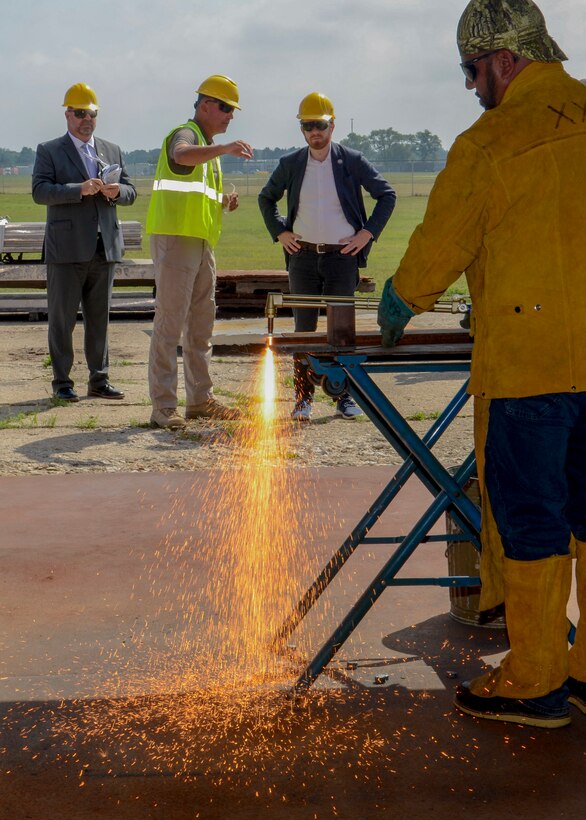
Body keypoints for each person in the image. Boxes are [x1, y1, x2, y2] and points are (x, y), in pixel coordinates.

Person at [378, 0, 586, 729]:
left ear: (502, 59)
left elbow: (439, 246)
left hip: (533, 375)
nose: (471, 86)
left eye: (471, 71)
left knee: (532, 519)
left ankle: (535, 679)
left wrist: (401, 301)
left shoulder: (490, 143)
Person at [259, 93, 396, 421]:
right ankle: (303, 399)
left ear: (332, 126)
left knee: (341, 332)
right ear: (302, 129)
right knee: (303, 331)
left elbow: (386, 195)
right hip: (303, 258)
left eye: (320, 125)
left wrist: (366, 234)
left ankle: (344, 396)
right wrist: (281, 232)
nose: (314, 132)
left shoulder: (351, 160)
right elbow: (267, 198)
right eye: (308, 126)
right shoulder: (290, 164)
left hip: (341, 259)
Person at [146, 75, 253, 430]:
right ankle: (163, 407)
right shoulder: (187, 134)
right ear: (205, 104)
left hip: (201, 242)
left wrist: (222, 200)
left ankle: (200, 400)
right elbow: (180, 156)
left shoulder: (207, 147)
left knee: (201, 326)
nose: (229, 116)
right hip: (177, 241)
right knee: (170, 324)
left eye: (232, 110)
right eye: (225, 107)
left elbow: (192, 190)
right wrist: (224, 148)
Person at [32, 83, 137, 401]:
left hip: (104, 247)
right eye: (79, 113)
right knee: (62, 319)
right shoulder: (49, 150)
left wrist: (117, 191)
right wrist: (79, 188)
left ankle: (99, 379)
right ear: (67, 115)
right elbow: (40, 192)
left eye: (91, 113)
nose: (85, 119)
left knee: (99, 318)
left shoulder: (111, 149)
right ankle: (62, 381)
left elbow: (131, 191)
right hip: (66, 249)